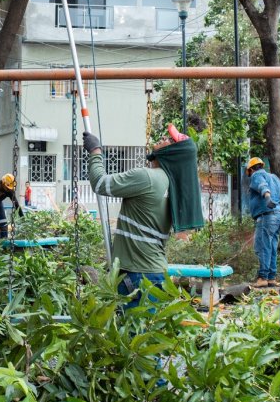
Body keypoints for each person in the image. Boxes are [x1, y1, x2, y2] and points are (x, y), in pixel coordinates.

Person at [84, 124, 203, 310]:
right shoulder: (175, 186)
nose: (163, 138)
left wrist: (95, 151)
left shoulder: (148, 178)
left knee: (132, 327)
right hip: (156, 274)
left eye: (169, 140)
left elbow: (100, 183)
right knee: (148, 327)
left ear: (173, 152)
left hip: (136, 276)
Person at [245, 157, 280, 288]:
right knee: (272, 246)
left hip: (266, 217)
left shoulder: (256, 175)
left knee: (263, 246)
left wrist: (267, 196)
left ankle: (263, 277)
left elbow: (262, 186)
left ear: (251, 170)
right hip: (278, 217)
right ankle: (271, 278)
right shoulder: (274, 178)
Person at [0, 174, 20, 240]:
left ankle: (4, 241)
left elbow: (16, 205)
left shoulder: (10, 191)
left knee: (3, 222)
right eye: (7, 188)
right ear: (3, 183)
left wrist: (23, 218)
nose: (8, 189)